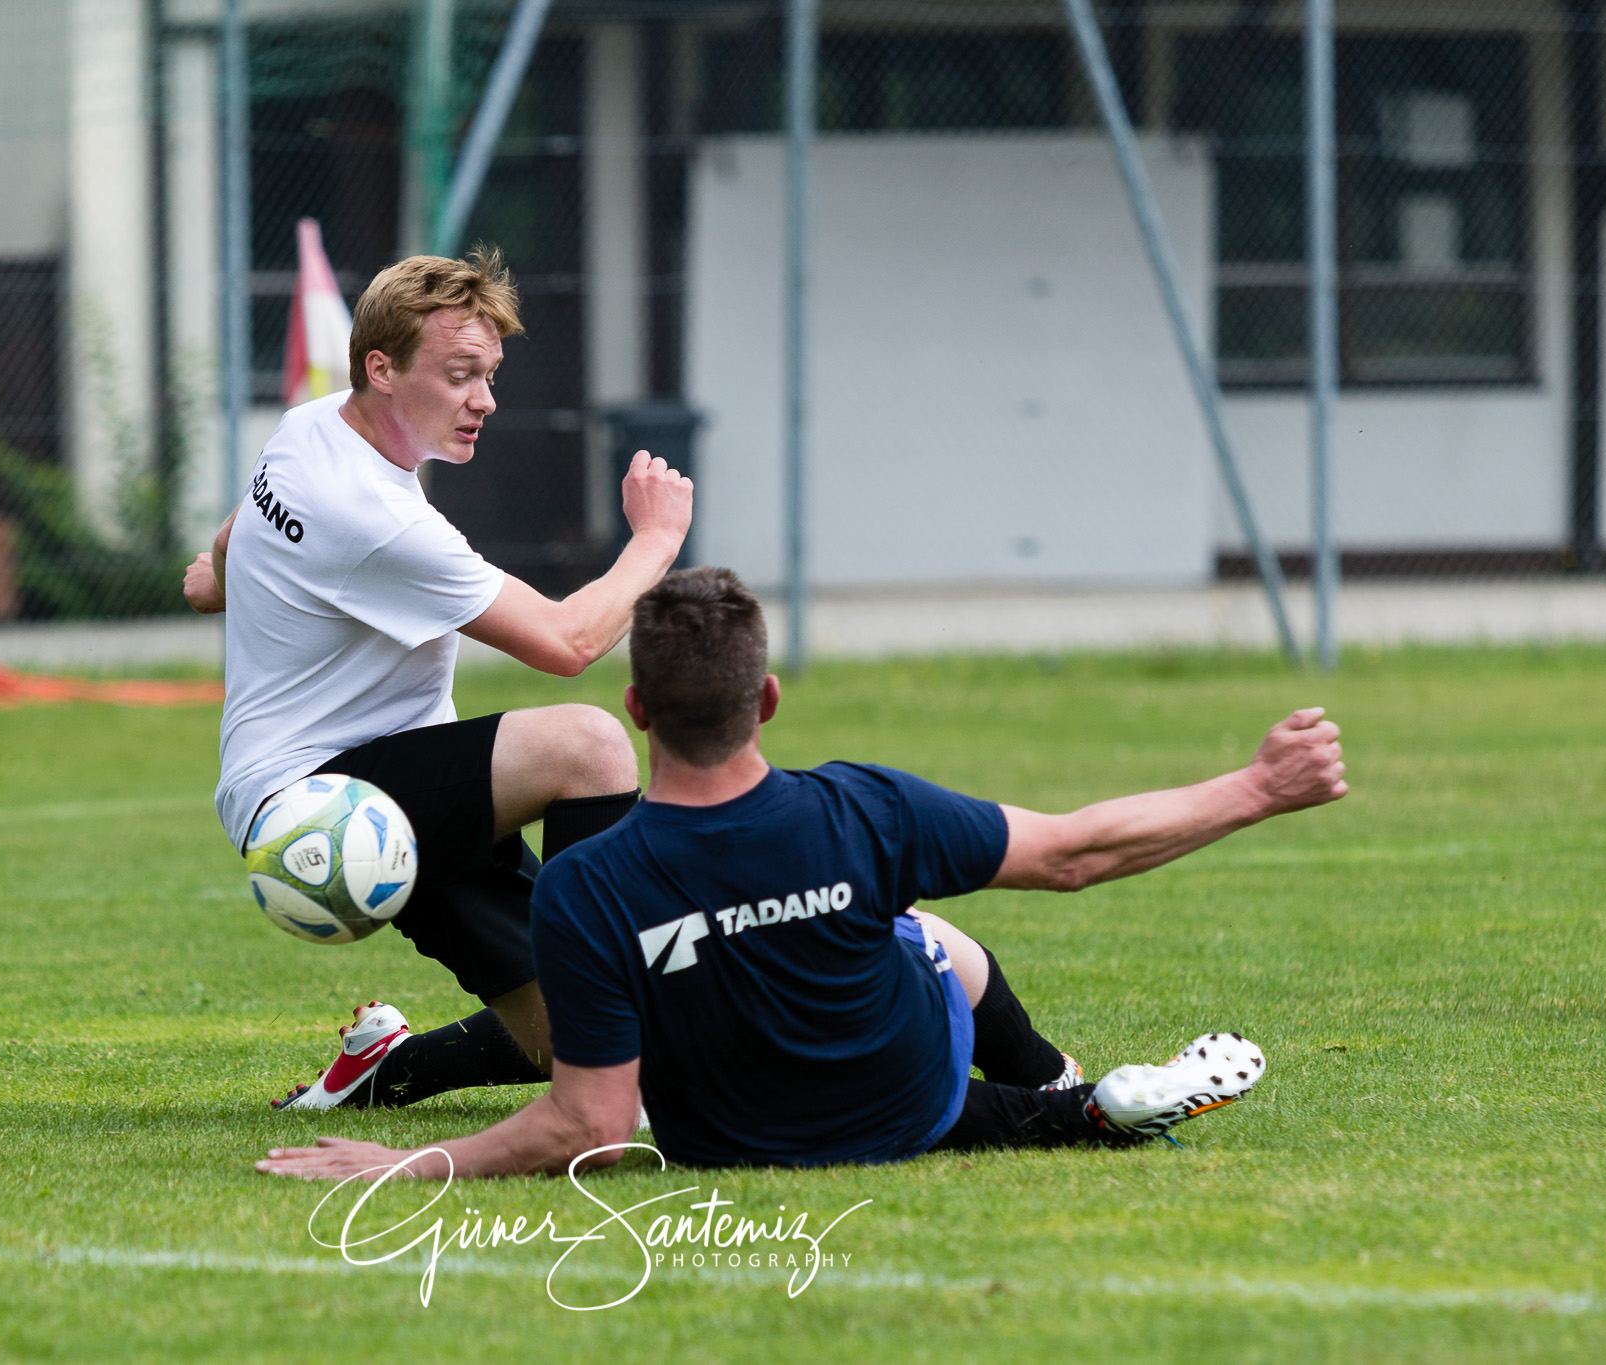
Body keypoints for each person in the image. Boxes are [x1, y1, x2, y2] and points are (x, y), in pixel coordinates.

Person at [256, 567, 1347, 1180]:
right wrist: (1256, 788)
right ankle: (1061, 1095)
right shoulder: (864, 810)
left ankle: (1068, 1102)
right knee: (925, 936)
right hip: (908, 1101)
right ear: (765, 699)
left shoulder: (585, 886)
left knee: (668, 983)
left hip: (720, 1144)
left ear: (635, 712)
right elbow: (1072, 853)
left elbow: (587, 1124)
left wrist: (403, 1169)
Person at [182, 249, 692, 1112]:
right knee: (591, 744)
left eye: (489, 375)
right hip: (328, 803)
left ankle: (385, 1064)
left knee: (588, 1045)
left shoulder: (310, 426)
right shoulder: (377, 521)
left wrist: (217, 577)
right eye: (460, 375)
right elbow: (568, 642)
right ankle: (610, 972)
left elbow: (242, 523)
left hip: (366, 783)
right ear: (381, 368)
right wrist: (655, 542)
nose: (484, 400)